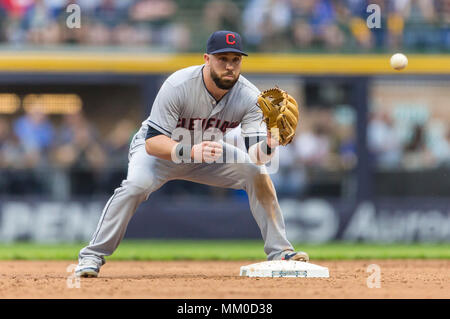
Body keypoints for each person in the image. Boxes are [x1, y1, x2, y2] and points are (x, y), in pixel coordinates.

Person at [75, 30, 308, 277]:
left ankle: (281, 252)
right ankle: (91, 256)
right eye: (222, 59)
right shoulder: (179, 84)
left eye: (235, 60)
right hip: (162, 152)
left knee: (257, 172)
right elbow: (152, 143)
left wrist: (270, 143)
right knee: (135, 185)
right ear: (207, 59)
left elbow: (256, 155)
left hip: (207, 153)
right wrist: (190, 150)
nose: (229, 66)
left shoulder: (250, 97)